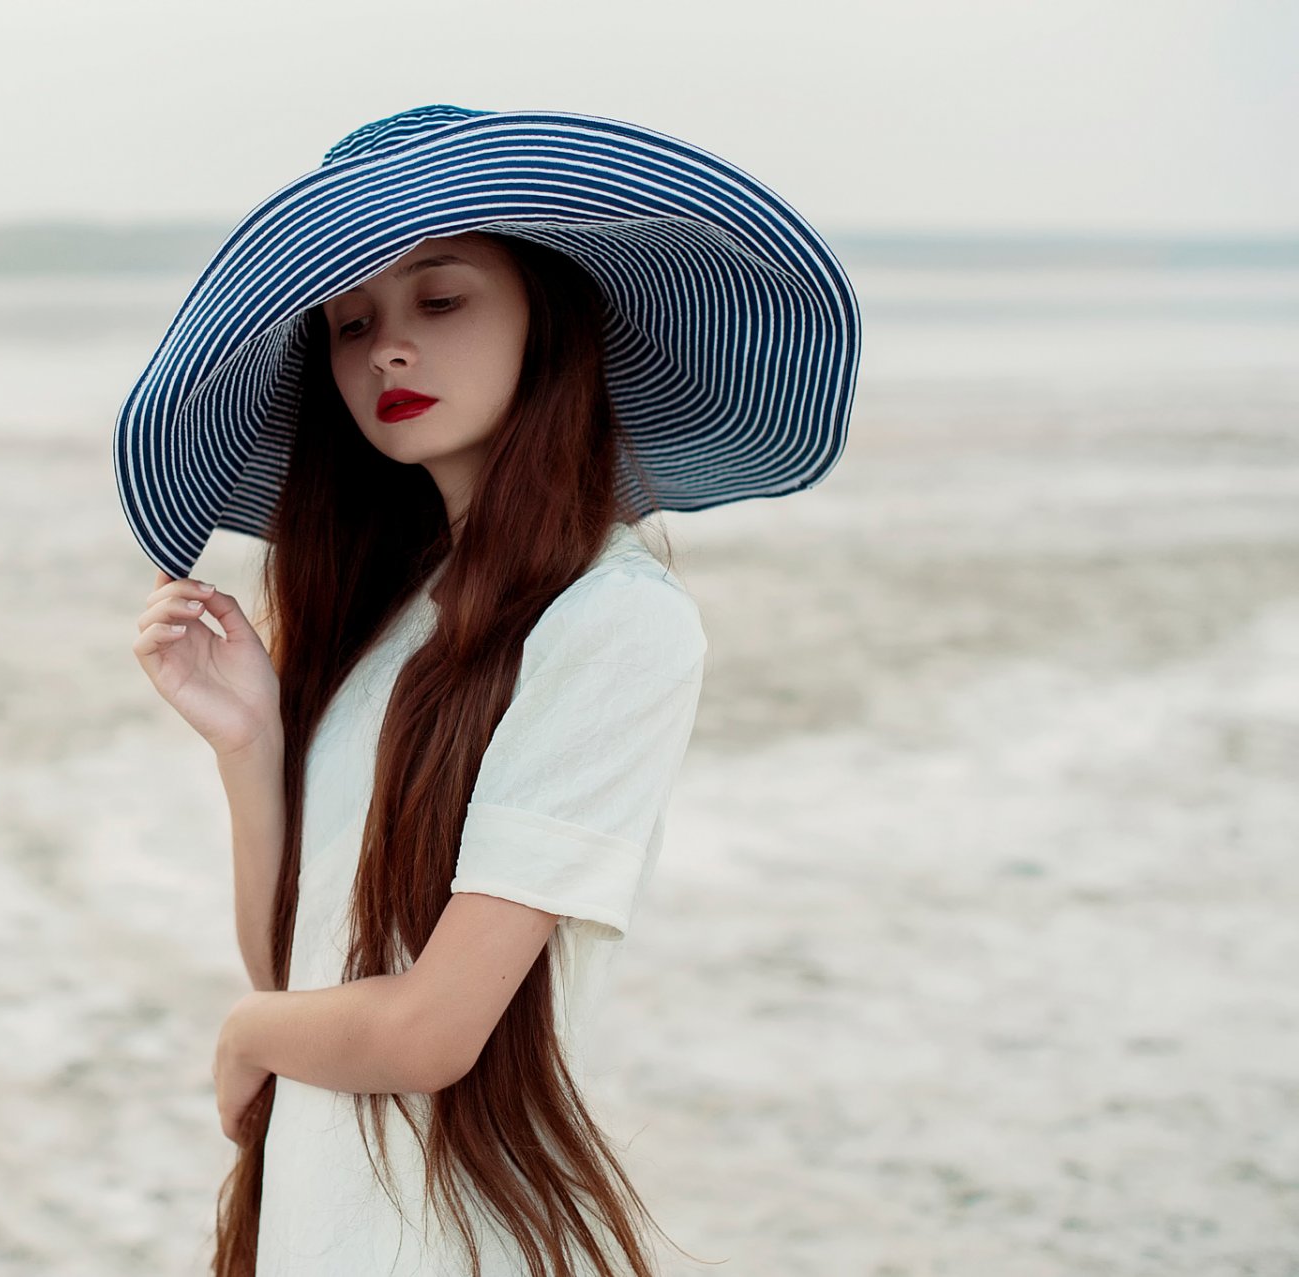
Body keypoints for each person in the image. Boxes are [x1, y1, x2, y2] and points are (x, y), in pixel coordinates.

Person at [118, 105, 860, 1277]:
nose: (385, 350)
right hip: (322, 1219)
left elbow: (428, 1030)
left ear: (544, 319)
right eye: (349, 321)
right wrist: (250, 744)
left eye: (440, 298)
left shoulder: (614, 621)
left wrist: (244, 1033)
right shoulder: (390, 613)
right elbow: (307, 974)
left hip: (447, 1236)